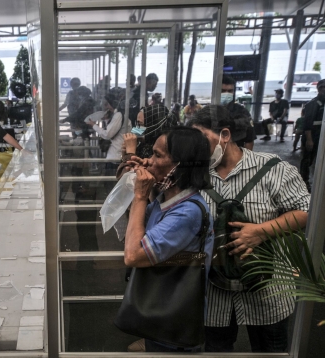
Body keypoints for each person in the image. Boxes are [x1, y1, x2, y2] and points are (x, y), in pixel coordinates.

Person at [188, 105, 310, 353]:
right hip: (214, 295)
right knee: (216, 349)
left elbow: (306, 211)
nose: (196, 148)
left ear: (225, 135)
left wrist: (261, 231)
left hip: (268, 291)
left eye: (202, 140)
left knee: (270, 350)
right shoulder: (193, 175)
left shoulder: (274, 169)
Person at [123, 127, 214, 352]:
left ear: (179, 165)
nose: (149, 161)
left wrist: (140, 195)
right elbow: (134, 225)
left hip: (173, 320)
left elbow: (133, 255)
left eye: (157, 155)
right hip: (160, 311)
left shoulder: (187, 212)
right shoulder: (167, 199)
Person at [85, 93, 130, 165]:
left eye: (106, 104)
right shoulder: (117, 115)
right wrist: (106, 120)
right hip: (115, 154)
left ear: (112, 104)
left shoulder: (118, 115)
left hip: (116, 155)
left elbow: (107, 134)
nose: (106, 107)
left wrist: (94, 125)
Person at [300, 79, 325, 192]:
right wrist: (309, 139)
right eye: (322, 87)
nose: (324, 89)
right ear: (318, 89)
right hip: (313, 134)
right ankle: (304, 181)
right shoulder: (313, 103)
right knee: (307, 160)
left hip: (321, 135)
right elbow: (307, 123)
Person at [221, 75, 255, 150]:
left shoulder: (242, 112)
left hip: (235, 155)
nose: (226, 94)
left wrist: (245, 160)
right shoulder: (208, 111)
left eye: (230, 91)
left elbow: (249, 140)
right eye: (223, 91)